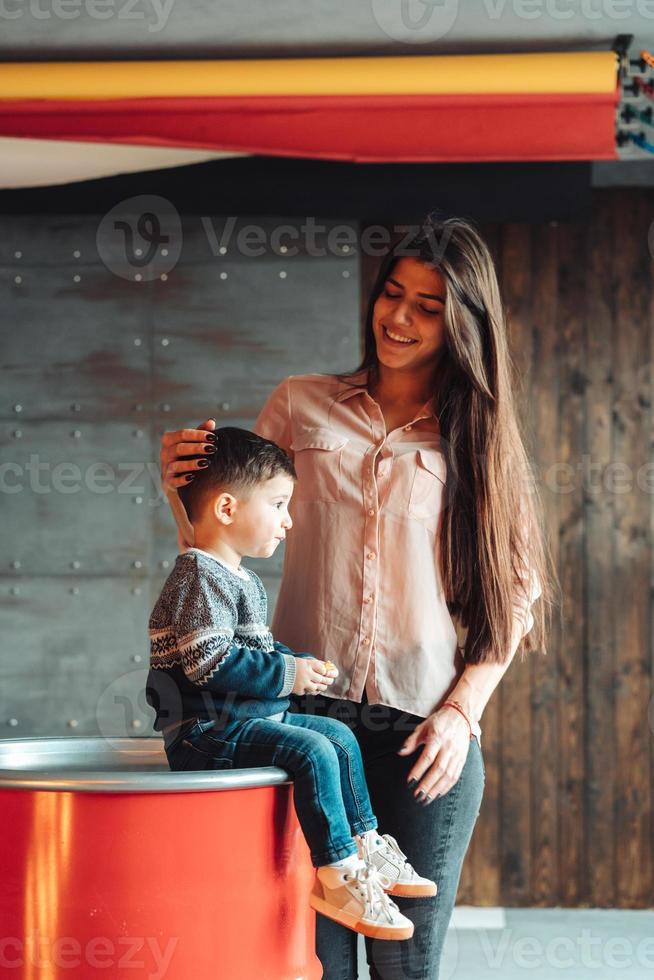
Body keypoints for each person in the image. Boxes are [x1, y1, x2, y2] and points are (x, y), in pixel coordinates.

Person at [158, 213, 553, 979]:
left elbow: (519, 593)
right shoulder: (302, 406)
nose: (398, 318)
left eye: (428, 305)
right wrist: (179, 484)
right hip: (304, 731)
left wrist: (462, 712)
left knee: (405, 964)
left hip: (422, 737)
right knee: (317, 962)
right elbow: (220, 535)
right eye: (392, 293)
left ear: (463, 322)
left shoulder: (479, 436)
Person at [145, 425, 439, 943]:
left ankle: (366, 841)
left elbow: (255, 651)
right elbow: (208, 665)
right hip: (204, 731)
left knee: (339, 736)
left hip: (242, 720)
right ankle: (337, 874)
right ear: (228, 510)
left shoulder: (242, 578)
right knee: (312, 751)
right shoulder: (198, 575)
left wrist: (296, 662)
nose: (289, 521)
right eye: (279, 505)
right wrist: (289, 675)